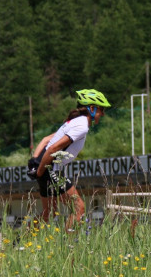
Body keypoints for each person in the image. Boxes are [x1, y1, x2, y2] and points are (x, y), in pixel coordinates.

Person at [27, 89, 111, 230]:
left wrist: (34, 162)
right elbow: (53, 148)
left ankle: (18, 242)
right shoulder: (81, 126)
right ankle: (68, 246)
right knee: (79, 208)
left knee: (49, 213)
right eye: (101, 110)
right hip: (51, 169)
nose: (102, 114)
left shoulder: (74, 121)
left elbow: (45, 139)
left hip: (45, 167)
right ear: (91, 108)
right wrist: (40, 171)